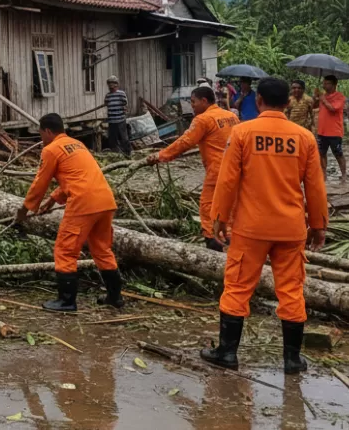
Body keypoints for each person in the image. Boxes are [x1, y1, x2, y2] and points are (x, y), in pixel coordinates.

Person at [204, 77, 327, 374]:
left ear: (258, 101)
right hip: (291, 229)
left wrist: (218, 218)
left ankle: (227, 354)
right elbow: (315, 187)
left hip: (251, 229)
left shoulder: (243, 133)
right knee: (292, 291)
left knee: (237, 288)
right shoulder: (305, 138)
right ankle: (292, 359)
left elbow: (228, 180)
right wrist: (318, 225)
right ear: (287, 103)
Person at [17, 113, 122, 312]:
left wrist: (25, 209)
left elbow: (40, 183)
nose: (41, 139)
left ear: (48, 131)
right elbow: (77, 178)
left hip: (83, 203)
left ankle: (66, 301)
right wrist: (52, 200)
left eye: (41, 134)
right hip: (105, 200)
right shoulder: (77, 144)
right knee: (102, 249)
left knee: (65, 250)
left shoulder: (51, 149)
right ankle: (115, 297)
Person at [145, 86, 238, 251]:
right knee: (230, 206)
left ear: (204, 101)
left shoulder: (203, 119)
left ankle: (213, 242)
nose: (192, 106)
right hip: (237, 171)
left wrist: (160, 156)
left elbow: (185, 142)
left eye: (193, 102)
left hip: (217, 172)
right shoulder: (231, 116)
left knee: (209, 206)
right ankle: (229, 239)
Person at [314, 75, 347, 183]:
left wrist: (323, 99)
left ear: (334, 85)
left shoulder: (340, 97)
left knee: (338, 153)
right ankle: (324, 175)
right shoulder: (323, 96)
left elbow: (333, 108)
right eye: (324, 83)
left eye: (327, 83)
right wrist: (316, 98)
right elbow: (314, 107)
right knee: (321, 153)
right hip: (322, 131)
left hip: (334, 131)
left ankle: (344, 175)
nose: (324, 85)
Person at [104, 75, 130, 155]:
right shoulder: (108, 96)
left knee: (124, 138)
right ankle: (116, 154)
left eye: (112, 84)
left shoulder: (121, 94)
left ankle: (128, 153)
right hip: (112, 121)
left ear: (116, 84)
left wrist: (125, 109)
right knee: (112, 139)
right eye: (109, 85)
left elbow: (125, 104)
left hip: (120, 120)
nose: (111, 87)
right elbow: (106, 104)